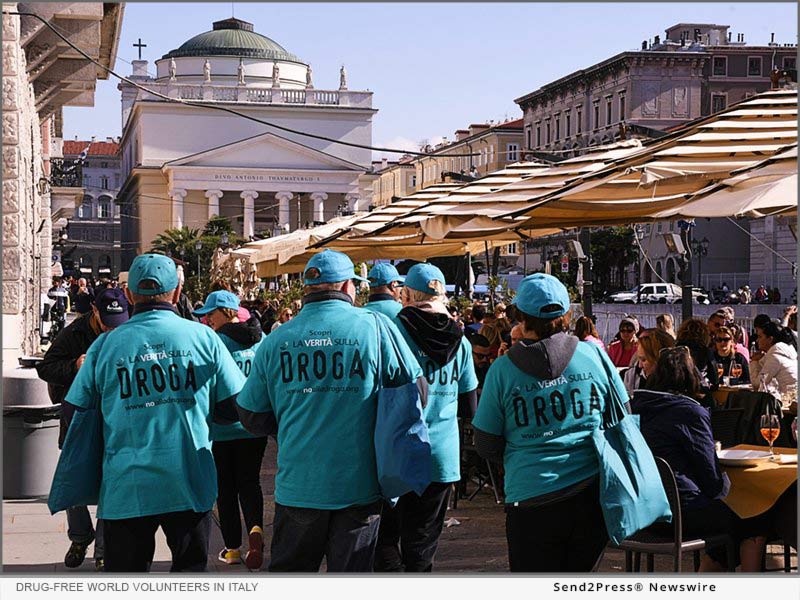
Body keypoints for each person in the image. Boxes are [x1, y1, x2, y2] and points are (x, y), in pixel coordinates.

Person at [235, 250, 425, 572]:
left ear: (306, 290)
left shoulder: (277, 338)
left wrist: (289, 424)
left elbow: (251, 414)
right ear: (349, 287)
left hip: (299, 485)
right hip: (359, 486)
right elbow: (417, 392)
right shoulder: (375, 328)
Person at [61, 254, 246, 572]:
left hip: (125, 487)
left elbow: (76, 410)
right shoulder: (204, 338)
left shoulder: (105, 346)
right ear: (176, 294)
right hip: (189, 482)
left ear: (130, 296)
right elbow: (237, 406)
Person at [472, 273, 627, 572]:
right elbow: (620, 414)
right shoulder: (594, 354)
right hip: (591, 494)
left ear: (521, 317)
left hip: (531, 497)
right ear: (567, 314)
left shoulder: (503, 370)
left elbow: (485, 442)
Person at [374, 264, 478, 572]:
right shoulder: (462, 341)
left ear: (405, 294)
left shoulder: (392, 333)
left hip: (397, 451)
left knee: (385, 539)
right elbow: (469, 405)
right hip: (440, 456)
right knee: (422, 545)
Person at [631, 347, 767, 571]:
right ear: (691, 376)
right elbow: (712, 482)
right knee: (754, 519)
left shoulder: (636, 409)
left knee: (727, 525)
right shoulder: (690, 413)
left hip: (643, 512)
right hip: (681, 514)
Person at [36, 288, 130, 571]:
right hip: (76, 417)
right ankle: (80, 537)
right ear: (94, 311)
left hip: (112, 416)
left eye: (118, 322)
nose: (112, 329)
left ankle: (103, 549)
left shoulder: (127, 331)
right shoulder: (74, 333)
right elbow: (46, 368)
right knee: (72, 476)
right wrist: (74, 365)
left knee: (111, 482)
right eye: (107, 322)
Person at [193, 290, 268, 570]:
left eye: (211, 313)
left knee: (225, 488)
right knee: (250, 483)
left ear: (226, 312)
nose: (207, 319)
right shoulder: (262, 339)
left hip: (221, 427)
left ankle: (233, 549)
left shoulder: (214, 342)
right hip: (253, 427)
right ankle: (256, 530)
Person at [750, 320, 798, 399]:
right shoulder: (782, 352)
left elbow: (757, 385)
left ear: (770, 339)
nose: (757, 340)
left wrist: (754, 362)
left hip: (790, 402)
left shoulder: (775, 357)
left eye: (760, 336)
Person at [676, 318, 719, 403]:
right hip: (700, 396)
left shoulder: (675, 350)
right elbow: (715, 380)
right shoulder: (705, 351)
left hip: (678, 396)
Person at [623, 329, 675, 394]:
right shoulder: (631, 377)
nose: (640, 365)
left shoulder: (678, 381)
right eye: (639, 359)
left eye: (644, 360)